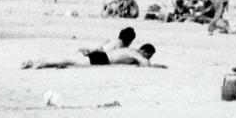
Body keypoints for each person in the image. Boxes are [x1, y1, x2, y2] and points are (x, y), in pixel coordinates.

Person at [21, 42, 159, 69]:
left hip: (101, 55)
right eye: (149, 55)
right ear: (145, 52)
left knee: (70, 60)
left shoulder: (129, 50)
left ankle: (37, 61)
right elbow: (145, 64)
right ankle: (42, 63)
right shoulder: (134, 53)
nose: (149, 58)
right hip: (102, 59)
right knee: (70, 62)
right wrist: (156, 66)